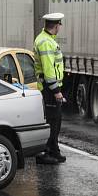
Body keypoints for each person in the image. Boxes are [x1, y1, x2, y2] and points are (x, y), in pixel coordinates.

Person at [34, 12, 66, 164]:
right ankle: (47, 152)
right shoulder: (46, 42)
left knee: (56, 121)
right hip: (49, 88)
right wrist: (56, 91)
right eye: (60, 24)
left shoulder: (47, 39)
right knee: (52, 121)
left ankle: (54, 150)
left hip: (49, 87)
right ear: (56, 25)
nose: (60, 27)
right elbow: (49, 70)